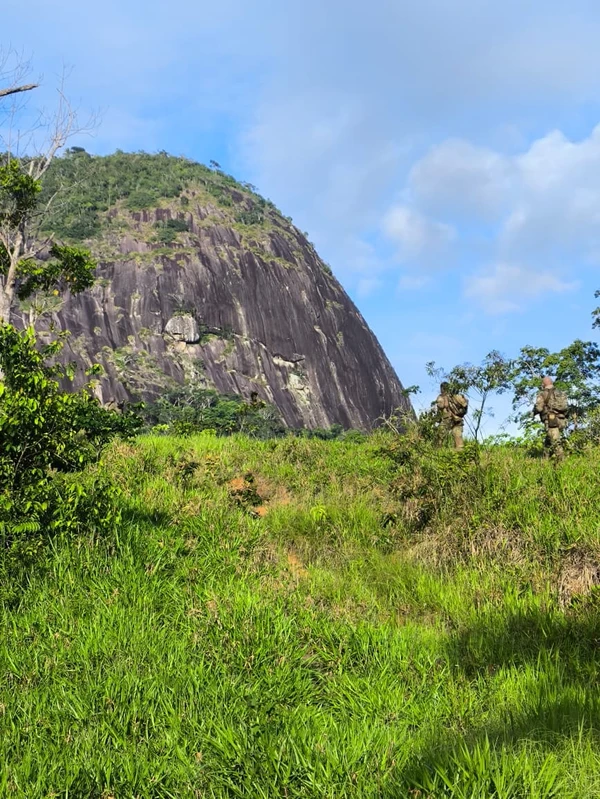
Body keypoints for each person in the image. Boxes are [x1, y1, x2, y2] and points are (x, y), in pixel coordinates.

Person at [533, 376, 569, 460]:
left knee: (556, 443)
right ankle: (545, 460)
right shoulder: (560, 392)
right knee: (548, 442)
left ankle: (561, 463)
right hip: (562, 420)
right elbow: (565, 407)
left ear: (543, 384)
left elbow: (539, 408)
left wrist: (533, 412)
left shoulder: (542, 394)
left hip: (551, 421)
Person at [435, 382, 468, 449]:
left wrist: (438, 420)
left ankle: (438, 452)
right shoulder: (456, 396)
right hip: (458, 419)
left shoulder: (441, 398)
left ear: (442, 389)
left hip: (447, 419)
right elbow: (465, 405)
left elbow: (440, 409)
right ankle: (460, 454)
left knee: (439, 437)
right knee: (458, 438)